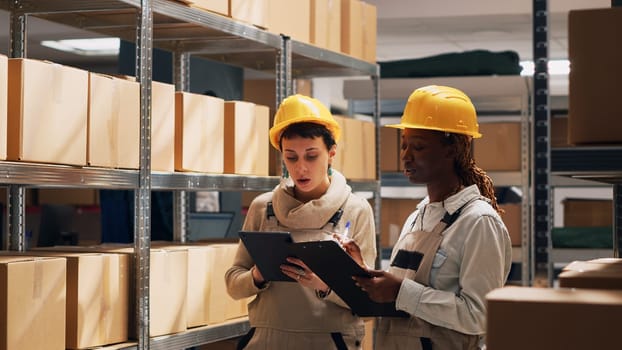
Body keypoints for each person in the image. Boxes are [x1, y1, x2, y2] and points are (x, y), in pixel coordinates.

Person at [347, 85, 512, 350]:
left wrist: (402, 292)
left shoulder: (478, 222)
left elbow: (480, 316)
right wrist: (365, 277)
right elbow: (400, 295)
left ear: (453, 149)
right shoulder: (418, 216)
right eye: (403, 145)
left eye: (419, 147)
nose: (405, 156)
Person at [225, 94, 377, 349]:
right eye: (291, 157)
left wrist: (324, 285)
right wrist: (258, 275)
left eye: (311, 156)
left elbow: (369, 300)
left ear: (331, 153)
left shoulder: (356, 209)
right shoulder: (263, 207)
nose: (301, 168)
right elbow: (233, 284)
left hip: (329, 342)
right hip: (267, 342)